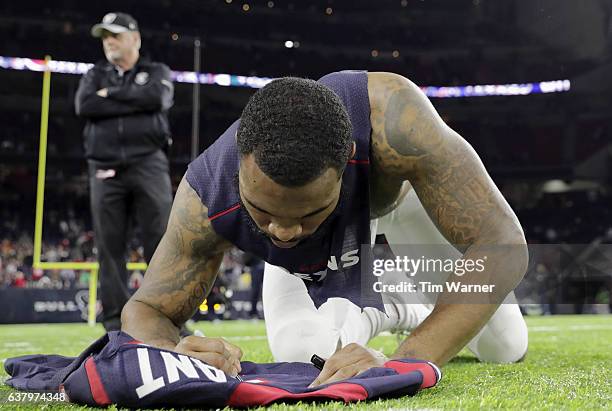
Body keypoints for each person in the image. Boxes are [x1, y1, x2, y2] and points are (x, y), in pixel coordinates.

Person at [121, 71, 529, 386]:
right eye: (262, 211)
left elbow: (503, 243)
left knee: (505, 346)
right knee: (305, 358)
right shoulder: (205, 193)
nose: (282, 232)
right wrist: (171, 352)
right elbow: (147, 309)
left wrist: (407, 360)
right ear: (240, 166)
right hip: (308, 255)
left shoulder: (395, 120)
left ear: (348, 159)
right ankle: (383, 304)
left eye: (305, 212)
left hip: (404, 207)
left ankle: (407, 303)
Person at [75, 12, 174, 331]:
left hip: (148, 161)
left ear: (135, 38)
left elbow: (156, 97)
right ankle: (116, 323)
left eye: (115, 35)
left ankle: (166, 316)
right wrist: (134, 101)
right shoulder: (94, 75)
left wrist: (111, 95)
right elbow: (85, 105)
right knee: (109, 245)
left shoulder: (156, 71)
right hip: (104, 165)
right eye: (105, 37)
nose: (109, 42)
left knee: (160, 242)